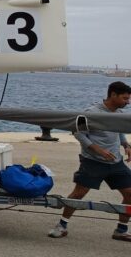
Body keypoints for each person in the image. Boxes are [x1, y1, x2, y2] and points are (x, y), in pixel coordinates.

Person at [48, 81, 131, 241]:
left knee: (130, 194)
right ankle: (62, 226)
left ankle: (121, 230)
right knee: (78, 194)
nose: (128, 102)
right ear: (113, 95)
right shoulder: (91, 112)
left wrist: (126, 144)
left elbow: (119, 130)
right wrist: (97, 149)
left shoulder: (119, 113)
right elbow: (77, 132)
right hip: (93, 162)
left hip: (116, 162)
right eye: (125, 98)